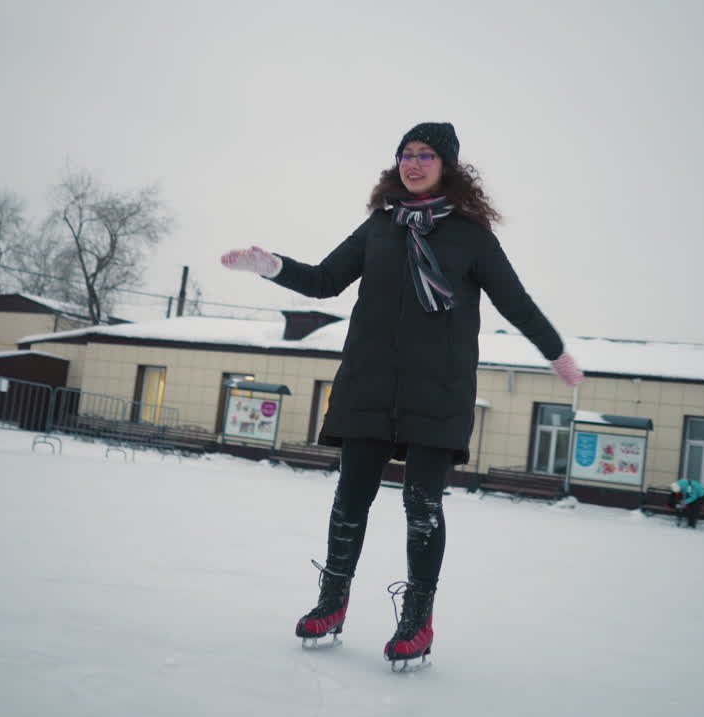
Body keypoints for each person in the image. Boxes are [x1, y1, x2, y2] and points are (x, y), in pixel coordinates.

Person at [221, 122, 584, 669]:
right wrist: (270, 266)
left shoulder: (471, 236)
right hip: (369, 382)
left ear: (448, 167)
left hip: (439, 389)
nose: (413, 163)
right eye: (406, 154)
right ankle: (332, 602)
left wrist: (555, 351)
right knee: (349, 499)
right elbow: (324, 281)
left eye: (426, 155)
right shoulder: (379, 227)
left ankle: (417, 620)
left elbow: (516, 302)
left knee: (423, 506)